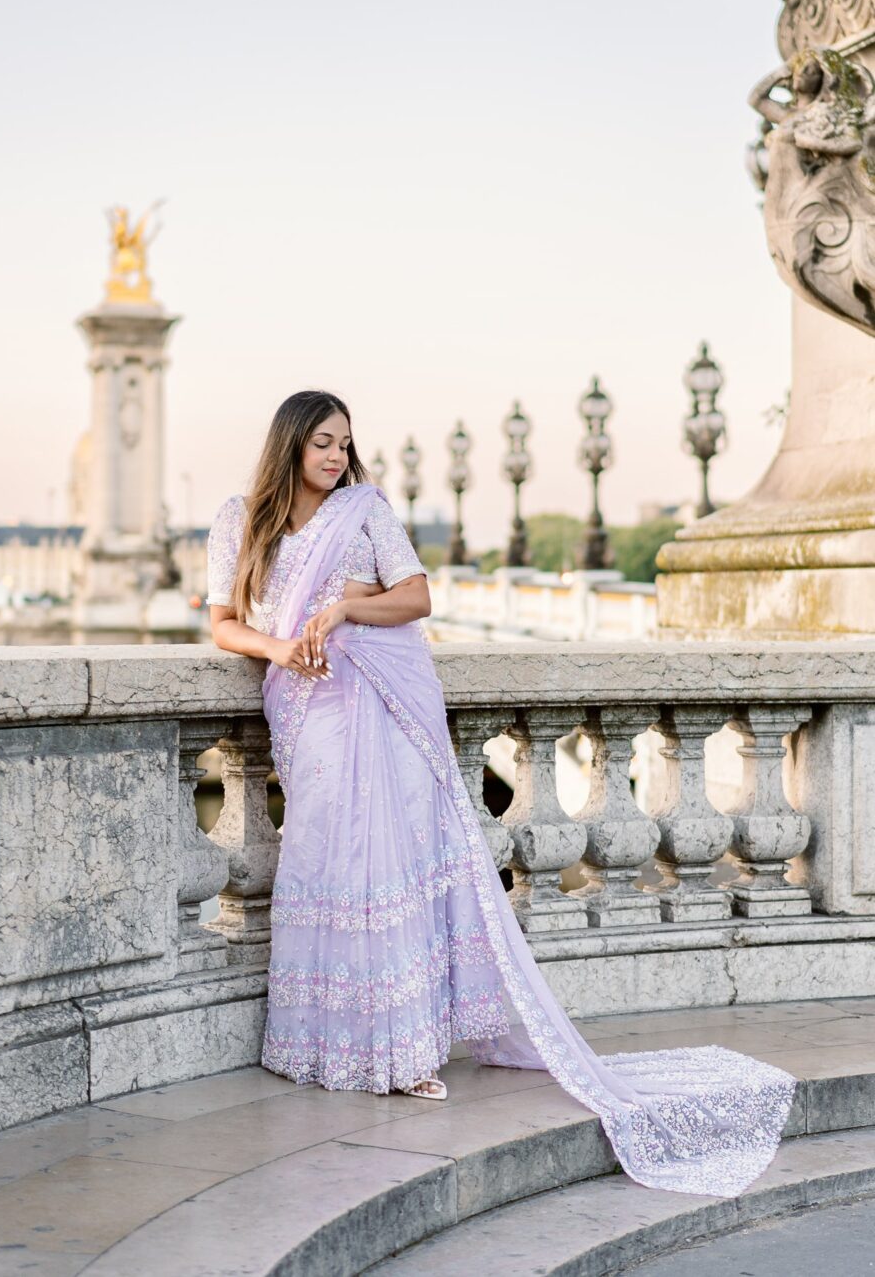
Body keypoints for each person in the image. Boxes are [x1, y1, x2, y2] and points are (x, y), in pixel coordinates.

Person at [207, 388, 796, 1197]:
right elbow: (221, 623)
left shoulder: (366, 510)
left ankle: (405, 1050)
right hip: (305, 714)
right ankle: (322, 1042)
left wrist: (345, 607)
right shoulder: (242, 520)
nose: (336, 457)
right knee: (321, 859)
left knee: (390, 867)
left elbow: (416, 597)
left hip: (378, 709)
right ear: (289, 448)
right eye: (321, 444)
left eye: (345, 442)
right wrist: (279, 648)